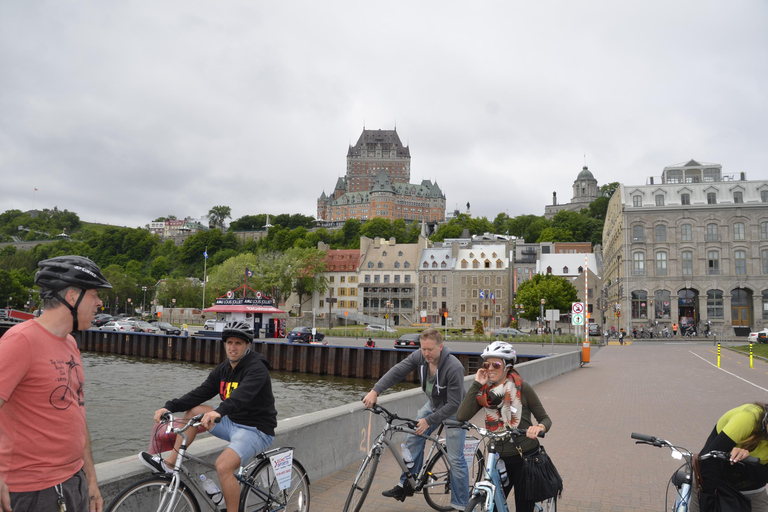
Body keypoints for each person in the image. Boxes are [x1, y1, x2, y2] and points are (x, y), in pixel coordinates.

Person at [0, 255, 113, 512]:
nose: (99, 303)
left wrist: (91, 480)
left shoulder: (70, 343)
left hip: (73, 483)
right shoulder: (21, 341)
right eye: (94, 295)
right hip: (30, 491)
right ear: (72, 297)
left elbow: (77, 414)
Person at [139, 320, 277, 511]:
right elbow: (199, 393)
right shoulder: (223, 369)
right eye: (229, 343)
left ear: (248, 345)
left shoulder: (256, 368)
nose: (233, 347)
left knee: (223, 466)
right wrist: (168, 407)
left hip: (256, 430)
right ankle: (170, 463)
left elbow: (241, 396)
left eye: (238, 343)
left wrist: (218, 412)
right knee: (195, 411)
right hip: (231, 423)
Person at [361, 328, 468, 510]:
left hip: (455, 410)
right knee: (413, 436)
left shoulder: (453, 367)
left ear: (440, 347)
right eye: (423, 349)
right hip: (434, 405)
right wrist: (375, 390)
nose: (425, 353)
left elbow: (454, 403)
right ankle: (406, 485)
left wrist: (429, 420)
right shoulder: (421, 357)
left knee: (456, 459)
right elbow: (397, 371)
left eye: (430, 350)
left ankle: (461, 505)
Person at [457, 341, 552, 512]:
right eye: (487, 364)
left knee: (523, 508)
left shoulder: (523, 388)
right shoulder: (484, 393)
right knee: (492, 506)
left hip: (525, 458)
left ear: (507, 367)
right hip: (498, 459)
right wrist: (476, 384)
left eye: (496, 364)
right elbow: (462, 416)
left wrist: (538, 428)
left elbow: (545, 419)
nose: (490, 368)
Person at [691, 402, 768, 512]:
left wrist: (747, 461)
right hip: (713, 482)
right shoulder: (747, 418)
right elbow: (709, 461)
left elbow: (764, 476)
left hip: (752, 491)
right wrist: (708, 501)